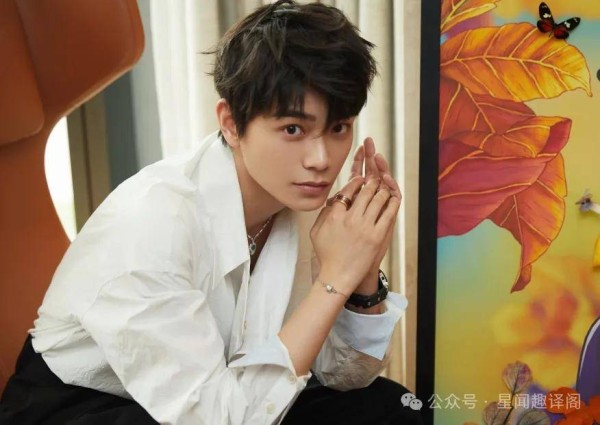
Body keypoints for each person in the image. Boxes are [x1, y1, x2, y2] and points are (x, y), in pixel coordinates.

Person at [0, 1, 422, 424]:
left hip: (223, 394)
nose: (321, 160)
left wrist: (362, 270)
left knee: (392, 408)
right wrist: (335, 278)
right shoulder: (151, 227)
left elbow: (344, 376)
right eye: (293, 129)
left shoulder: (304, 200)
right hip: (87, 407)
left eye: (338, 128)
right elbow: (219, 419)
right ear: (231, 123)